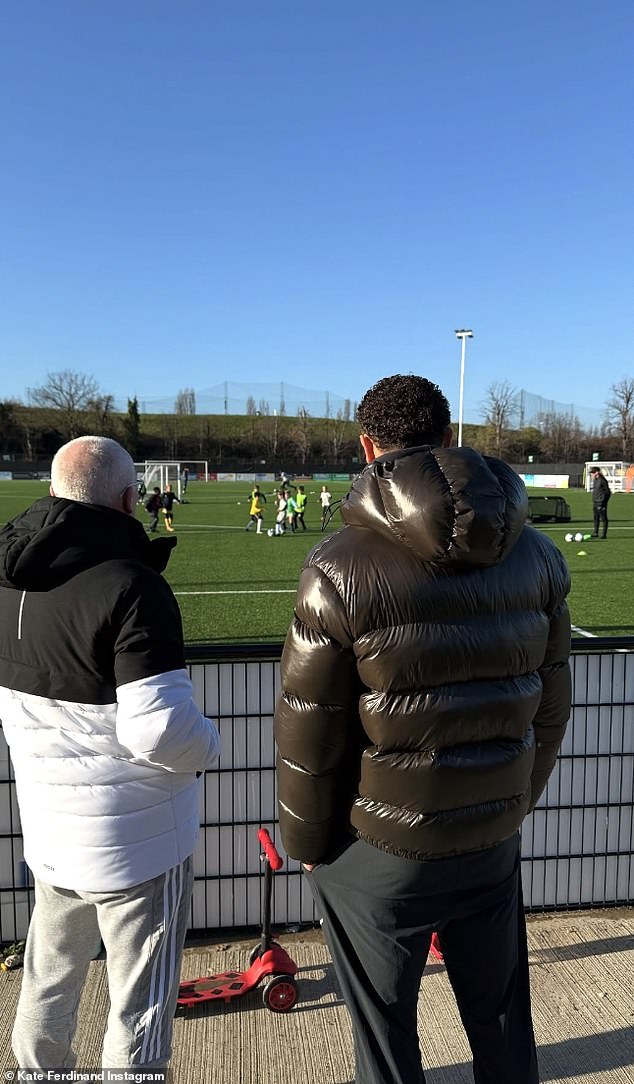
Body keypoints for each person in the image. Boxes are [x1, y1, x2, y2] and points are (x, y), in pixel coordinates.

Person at [274, 374, 571, 1084]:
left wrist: (309, 845)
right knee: (503, 1027)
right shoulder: (537, 554)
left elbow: (310, 732)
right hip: (489, 837)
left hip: (383, 852)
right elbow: (552, 708)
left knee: (385, 1041)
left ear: (367, 447)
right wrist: (508, 806)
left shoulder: (337, 565)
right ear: (446, 439)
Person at [0, 435, 220, 1072]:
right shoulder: (133, 585)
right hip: (138, 844)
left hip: (49, 833)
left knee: (48, 977)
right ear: (130, 499)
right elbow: (160, 731)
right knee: (139, 1006)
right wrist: (211, 742)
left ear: (52, 493)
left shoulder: (8, 578)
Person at [589, 465, 611, 538]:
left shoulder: (602, 480)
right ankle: (596, 532)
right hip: (595, 502)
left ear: (597, 473)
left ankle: (604, 534)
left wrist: (604, 502)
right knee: (596, 518)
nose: (591, 474)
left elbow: (608, 492)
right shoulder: (595, 480)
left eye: (593, 473)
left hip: (601, 503)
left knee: (603, 519)